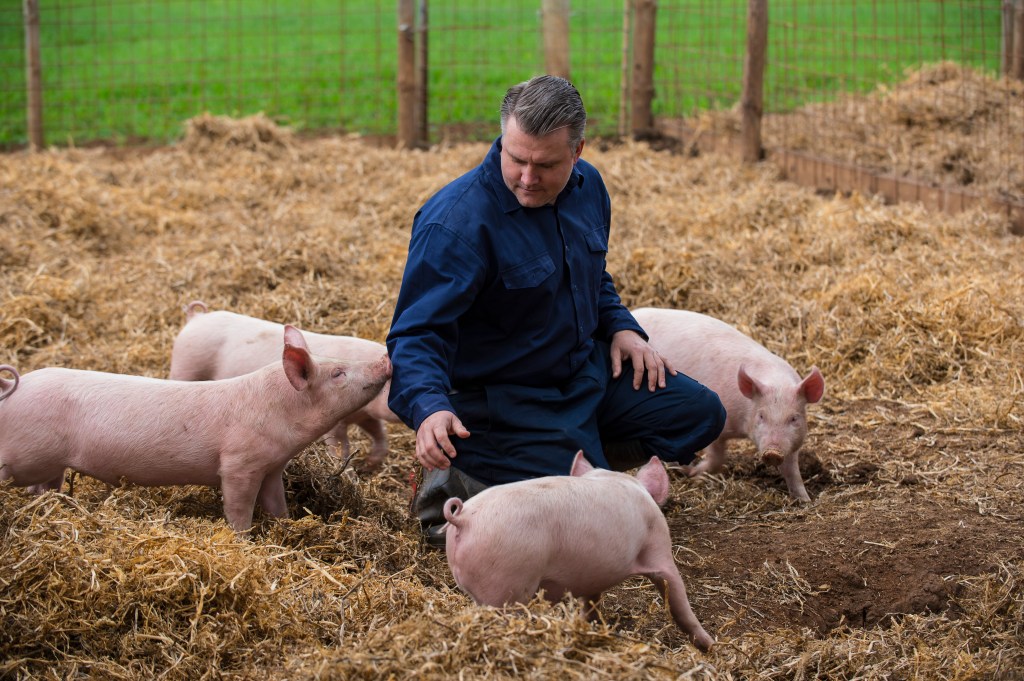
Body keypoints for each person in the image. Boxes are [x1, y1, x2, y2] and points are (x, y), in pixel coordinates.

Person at [386, 75, 725, 548]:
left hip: (582, 375)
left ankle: (572, 459)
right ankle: (463, 480)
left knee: (700, 413)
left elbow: (592, 278)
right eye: (516, 158)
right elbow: (417, 334)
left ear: (577, 150)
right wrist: (429, 408)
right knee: (583, 526)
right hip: (505, 402)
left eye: (544, 165)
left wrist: (622, 328)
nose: (527, 178)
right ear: (503, 138)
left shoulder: (589, 190)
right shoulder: (456, 223)